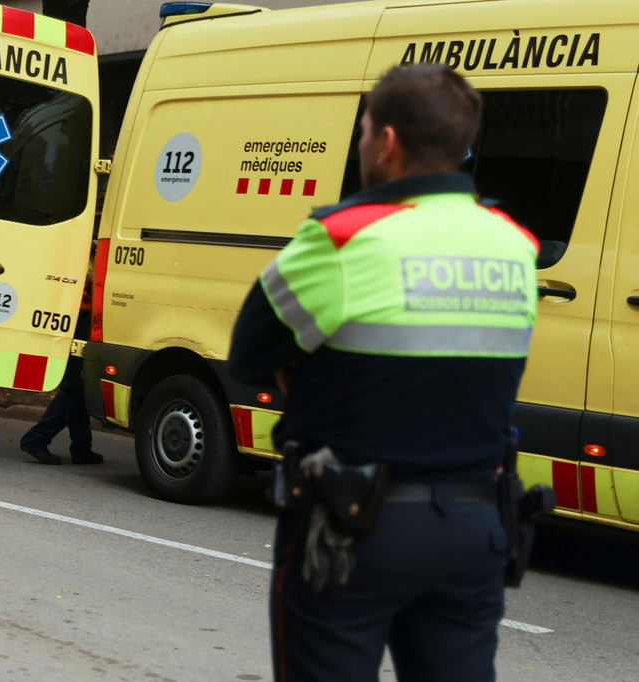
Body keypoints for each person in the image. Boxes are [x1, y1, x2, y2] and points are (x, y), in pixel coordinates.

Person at [228, 64, 538, 681]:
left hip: (353, 529)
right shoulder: (514, 243)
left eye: (364, 130)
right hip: (474, 529)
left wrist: (307, 369)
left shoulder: (344, 236)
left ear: (387, 142)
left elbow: (249, 355)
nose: (362, 143)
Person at [20, 283, 103, 466]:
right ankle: (36, 439)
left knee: (81, 389)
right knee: (75, 387)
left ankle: (81, 447)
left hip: (84, 311)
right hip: (83, 312)